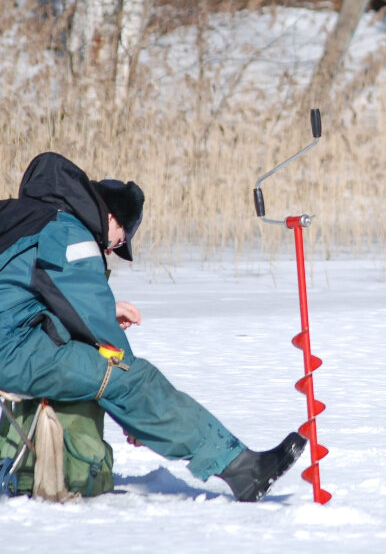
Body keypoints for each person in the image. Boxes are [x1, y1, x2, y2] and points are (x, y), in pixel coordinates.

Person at [0, 151, 306, 500]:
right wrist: (132, 396)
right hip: (9, 351)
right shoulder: (71, 232)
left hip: (11, 341)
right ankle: (243, 469)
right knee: (132, 377)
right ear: (111, 217)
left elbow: (27, 296)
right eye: (119, 240)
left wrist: (104, 309)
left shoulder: (28, 217)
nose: (112, 249)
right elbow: (100, 331)